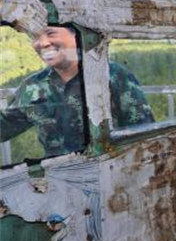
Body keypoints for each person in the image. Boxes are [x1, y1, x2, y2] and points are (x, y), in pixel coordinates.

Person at [0, 23, 155, 158]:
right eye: (34, 37)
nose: (42, 43)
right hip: (57, 181)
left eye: (51, 33)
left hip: (109, 176)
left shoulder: (111, 75)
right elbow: (5, 126)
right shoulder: (33, 86)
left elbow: (144, 133)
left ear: (76, 35)